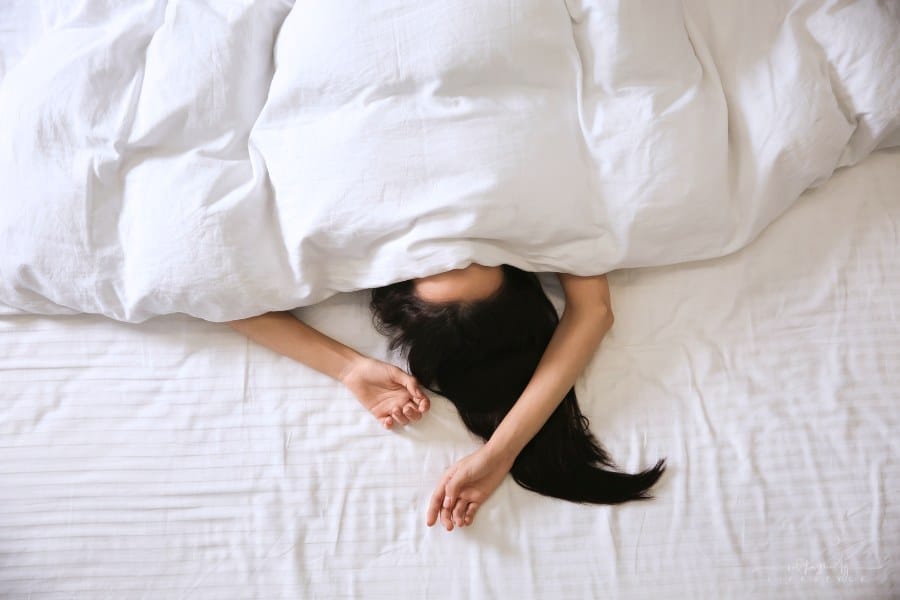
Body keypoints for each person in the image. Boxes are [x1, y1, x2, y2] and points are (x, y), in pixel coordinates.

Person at [228, 263, 665, 531]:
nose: (455, 246)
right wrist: (501, 451)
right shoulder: (545, 221)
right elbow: (593, 311)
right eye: (467, 262)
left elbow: (220, 295)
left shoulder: (348, 250)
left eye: (443, 265)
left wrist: (348, 368)